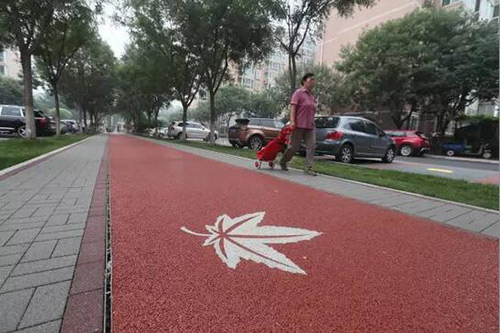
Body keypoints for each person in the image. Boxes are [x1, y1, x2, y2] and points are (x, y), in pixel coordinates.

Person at [280, 73, 317, 176]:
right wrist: (292, 121)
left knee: (311, 146)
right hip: (298, 125)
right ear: (304, 81)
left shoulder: (311, 96)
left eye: (314, 80)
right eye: (311, 80)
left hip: (310, 126)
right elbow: (293, 107)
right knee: (294, 147)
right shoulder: (298, 93)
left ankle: (309, 168)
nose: (313, 82)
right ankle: (283, 161)